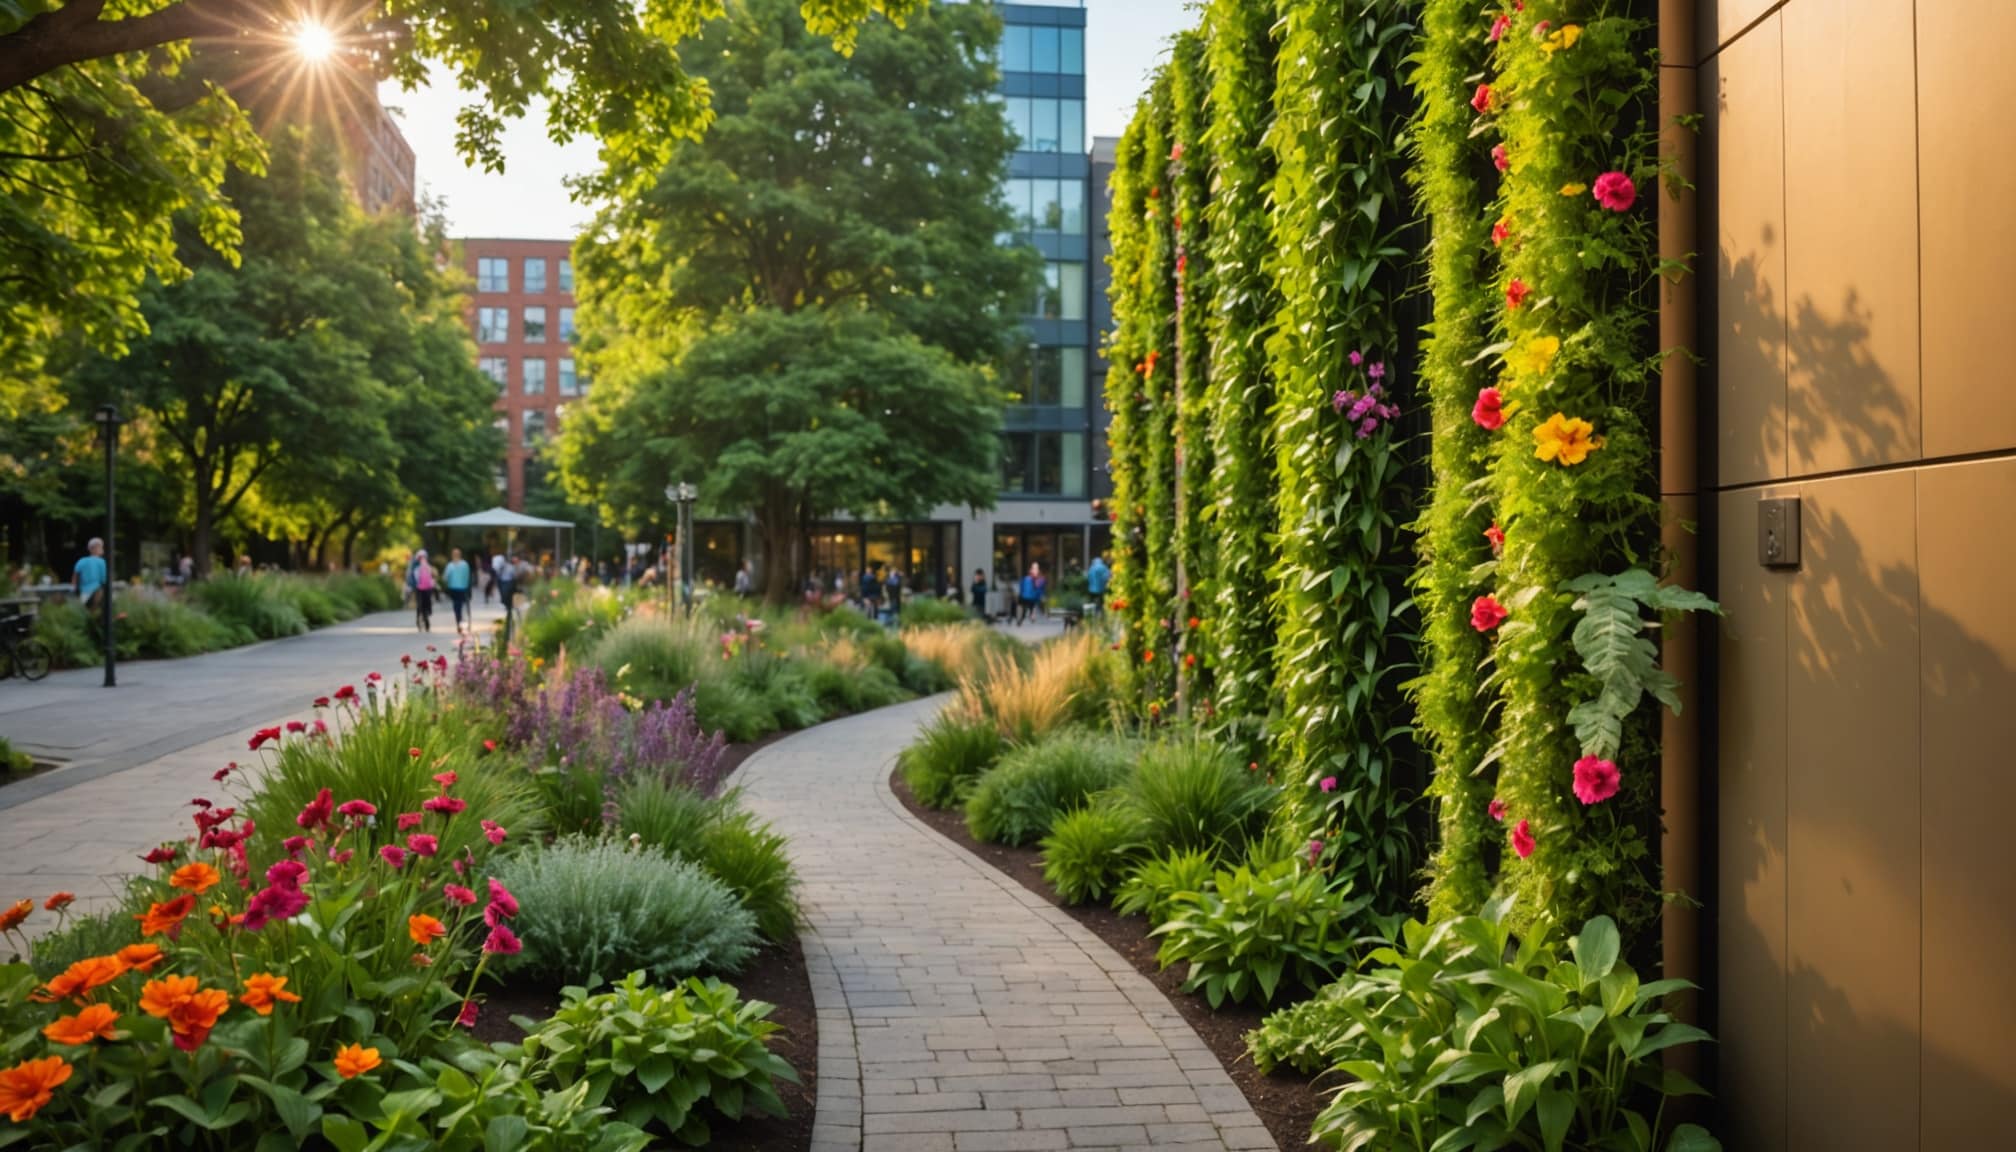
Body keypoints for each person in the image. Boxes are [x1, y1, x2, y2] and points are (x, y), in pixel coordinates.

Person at [72, 538, 107, 610]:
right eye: (99, 547)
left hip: (84, 592)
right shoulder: (102, 562)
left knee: (82, 611)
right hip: (97, 592)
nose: (101, 549)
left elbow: (75, 576)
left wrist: (75, 588)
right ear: (92, 549)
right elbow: (104, 579)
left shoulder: (81, 561)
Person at [443, 548, 473, 633]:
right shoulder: (465, 564)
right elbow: (468, 576)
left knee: (456, 606)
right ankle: (462, 622)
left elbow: (445, 577)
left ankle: (458, 621)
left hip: (453, 588)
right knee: (463, 605)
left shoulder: (450, 565)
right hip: (463, 588)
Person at [412, 549, 437, 632]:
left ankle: (420, 618)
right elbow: (432, 577)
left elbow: (415, 578)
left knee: (421, 604)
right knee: (425, 604)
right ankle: (425, 616)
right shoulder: (427, 567)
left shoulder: (417, 568)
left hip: (420, 588)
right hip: (426, 588)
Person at [495, 550, 518, 625]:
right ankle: (505, 603)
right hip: (502, 581)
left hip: (508, 582)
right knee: (503, 593)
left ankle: (507, 604)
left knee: (506, 593)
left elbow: (514, 575)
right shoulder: (502, 565)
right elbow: (498, 572)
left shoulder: (512, 566)